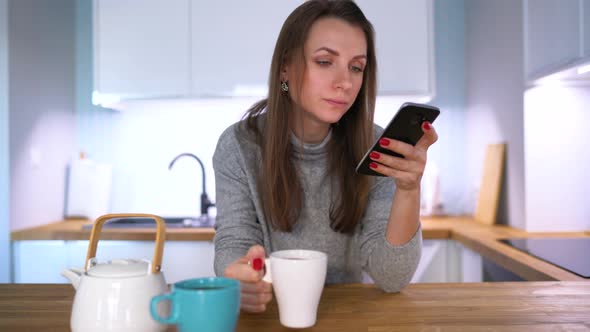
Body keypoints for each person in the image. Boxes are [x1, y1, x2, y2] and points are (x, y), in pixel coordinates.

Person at [212, 0, 438, 313]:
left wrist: (409, 189)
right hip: (273, 314)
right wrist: (240, 275)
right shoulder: (239, 146)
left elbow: (392, 277)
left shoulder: (376, 146)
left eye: (356, 67)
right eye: (324, 61)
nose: (344, 82)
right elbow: (233, 245)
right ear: (285, 68)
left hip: (348, 315)